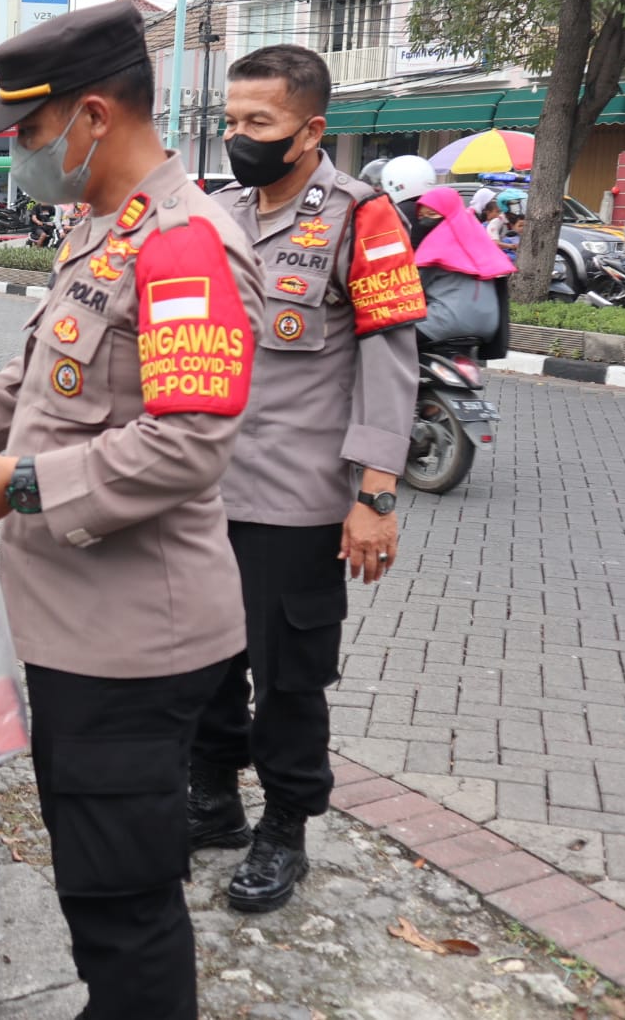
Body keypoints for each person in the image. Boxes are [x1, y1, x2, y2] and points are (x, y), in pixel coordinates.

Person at [0, 0, 266, 1020]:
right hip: (84, 631)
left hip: (137, 641)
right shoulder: (107, 231)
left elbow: (188, 442)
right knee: (94, 876)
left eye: (30, 133)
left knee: (123, 897)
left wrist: (18, 487)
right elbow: (47, 381)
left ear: (90, 116)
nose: (23, 155)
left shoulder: (182, 249)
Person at [193, 44, 425, 914]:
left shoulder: (361, 218)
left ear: (311, 129)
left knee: (287, 675)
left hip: (295, 502)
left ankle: (284, 827)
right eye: (231, 121)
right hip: (204, 490)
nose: (240, 137)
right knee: (205, 660)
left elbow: (391, 361)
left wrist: (374, 495)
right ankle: (211, 799)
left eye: (260, 123)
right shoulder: (218, 211)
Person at [411, 185, 514, 345]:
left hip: (445, 323)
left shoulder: (437, 243)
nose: (425, 220)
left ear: (447, 212)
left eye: (432, 213)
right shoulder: (479, 238)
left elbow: (413, 286)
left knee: (391, 337)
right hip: (489, 325)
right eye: (421, 216)